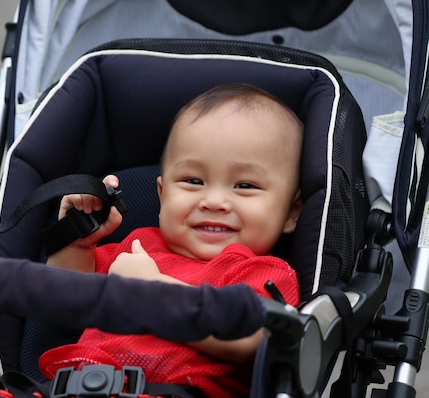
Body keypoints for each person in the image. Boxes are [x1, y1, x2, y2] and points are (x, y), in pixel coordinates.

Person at [41, 83, 303, 398]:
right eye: (193, 181)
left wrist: (154, 292)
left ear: (290, 213)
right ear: (162, 196)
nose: (214, 201)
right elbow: (65, 303)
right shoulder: (137, 249)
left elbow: (250, 338)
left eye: (245, 185)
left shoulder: (264, 273)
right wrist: (77, 241)